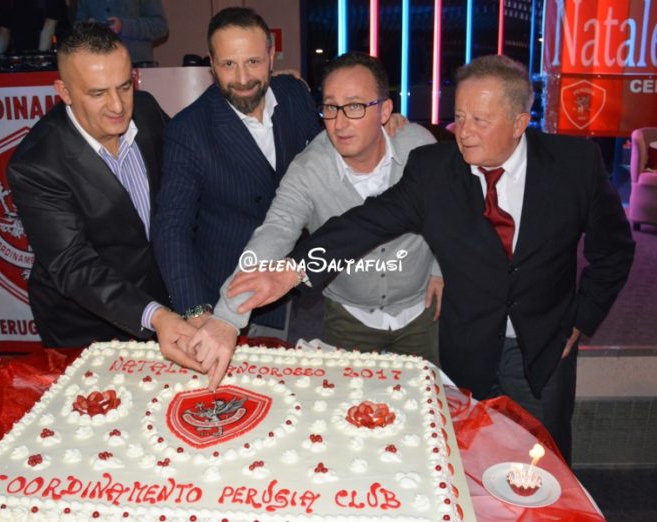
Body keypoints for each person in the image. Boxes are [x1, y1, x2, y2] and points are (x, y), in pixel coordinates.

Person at [222, 55, 635, 463]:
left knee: (541, 463)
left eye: (480, 121)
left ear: (519, 123)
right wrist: (292, 270)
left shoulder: (575, 166)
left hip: (545, 348)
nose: (464, 133)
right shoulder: (433, 170)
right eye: (460, 117)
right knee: (467, 458)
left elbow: (614, 251)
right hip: (467, 348)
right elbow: (361, 225)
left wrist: (581, 319)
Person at [192, 52, 442, 384]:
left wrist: (439, 267)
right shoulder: (309, 168)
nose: (339, 123)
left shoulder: (418, 146)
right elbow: (275, 232)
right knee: (344, 402)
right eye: (330, 107)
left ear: (384, 111)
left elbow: (448, 212)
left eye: (355, 107)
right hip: (348, 315)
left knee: (427, 399)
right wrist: (226, 316)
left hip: (420, 309)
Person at [6, 22, 200, 371]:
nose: (117, 106)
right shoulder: (36, 164)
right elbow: (75, 266)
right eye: (97, 93)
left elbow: (190, 164)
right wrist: (155, 316)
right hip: (85, 324)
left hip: (162, 303)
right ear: (64, 91)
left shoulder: (146, 110)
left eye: (124, 86)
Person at [151, 7, 323, 339]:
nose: (242, 78)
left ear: (271, 56)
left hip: (298, 287)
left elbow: (326, 161)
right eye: (228, 64)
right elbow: (172, 227)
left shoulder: (294, 94)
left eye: (253, 62)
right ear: (212, 66)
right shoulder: (188, 130)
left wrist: (387, 128)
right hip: (228, 294)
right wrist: (195, 311)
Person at [75, 0, 168, 64]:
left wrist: (124, 26)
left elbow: (160, 27)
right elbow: (78, 28)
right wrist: (89, 27)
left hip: (135, 66)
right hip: (97, 64)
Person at [0, 0, 66, 57]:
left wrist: (39, 61)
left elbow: (49, 25)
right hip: (19, 53)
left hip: (51, 52)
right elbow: (4, 32)